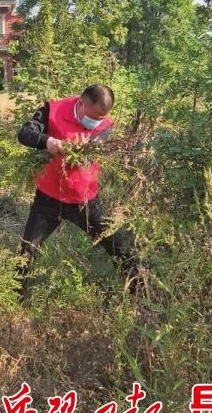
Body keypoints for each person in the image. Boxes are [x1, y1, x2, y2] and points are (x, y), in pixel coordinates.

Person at [17, 84, 140, 299]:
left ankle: (140, 296)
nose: (96, 122)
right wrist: (48, 141)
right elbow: (25, 134)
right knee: (26, 253)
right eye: (93, 117)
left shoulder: (105, 124)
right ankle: (14, 299)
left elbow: (93, 147)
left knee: (120, 246)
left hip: (85, 201)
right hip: (48, 199)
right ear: (81, 103)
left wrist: (81, 148)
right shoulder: (53, 110)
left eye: (101, 118)